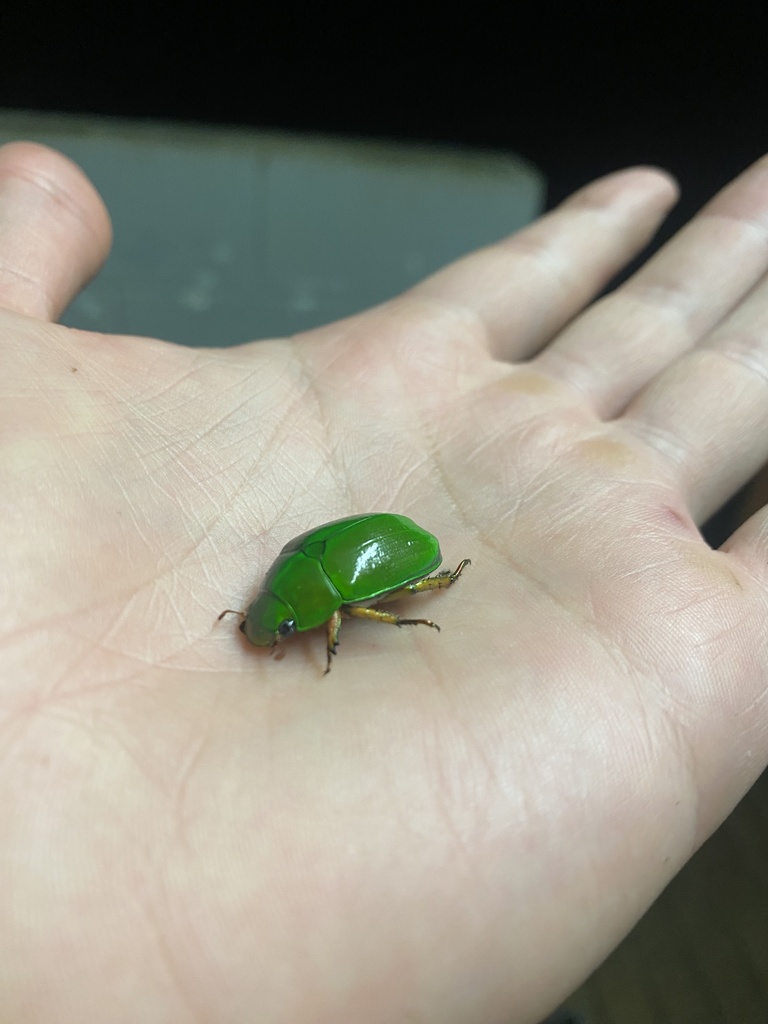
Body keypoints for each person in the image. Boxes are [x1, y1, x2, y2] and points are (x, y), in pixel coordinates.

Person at [2, 139, 767, 1024]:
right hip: (355, 550)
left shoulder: (320, 602)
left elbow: (334, 601)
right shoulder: (290, 581)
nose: (280, 631)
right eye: (275, 624)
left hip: (389, 552)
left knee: (393, 606)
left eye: (281, 626)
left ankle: (437, 591)